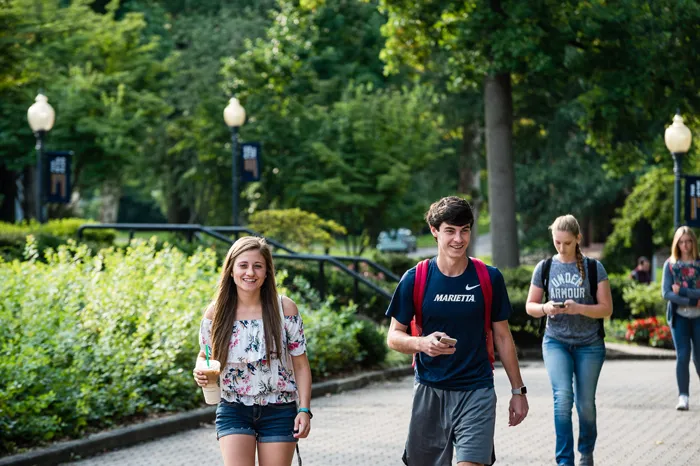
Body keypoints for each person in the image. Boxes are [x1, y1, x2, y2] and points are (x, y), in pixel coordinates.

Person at [386, 196, 529, 466]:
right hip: (430, 390)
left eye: (464, 230)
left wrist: (518, 391)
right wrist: (422, 344)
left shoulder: (489, 278)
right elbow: (393, 336)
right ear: (434, 231)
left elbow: (502, 337)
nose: (458, 239)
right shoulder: (416, 278)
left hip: (477, 390)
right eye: (450, 230)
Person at [193, 236, 312, 466]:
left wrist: (305, 409)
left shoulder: (284, 309)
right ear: (231, 270)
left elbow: (300, 364)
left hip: (279, 409)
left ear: (267, 272)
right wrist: (201, 370)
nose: (250, 272)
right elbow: (205, 355)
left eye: (258, 266)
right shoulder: (216, 312)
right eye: (243, 265)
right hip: (233, 407)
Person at [525, 214, 612, 466]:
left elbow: (606, 308)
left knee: (585, 404)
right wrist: (546, 308)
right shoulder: (545, 267)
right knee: (563, 399)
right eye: (557, 242)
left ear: (577, 239)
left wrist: (579, 308)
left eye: (566, 243)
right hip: (556, 342)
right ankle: (565, 461)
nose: (561, 248)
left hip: (589, 344)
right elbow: (530, 305)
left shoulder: (595, 268)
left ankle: (586, 451)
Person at [661, 226, 700, 411]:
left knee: (699, 358)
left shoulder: (699, 263)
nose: (685, 245)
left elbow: (677, 291)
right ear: (677, 244)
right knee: (682, 356)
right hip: (679, 317)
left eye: (688, 241)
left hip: (699, 317)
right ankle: (683, 396)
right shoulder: (670, 265)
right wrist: (693, 299)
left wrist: (683, 290)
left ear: (693, 242)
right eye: (681, 242)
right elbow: (667, 292)